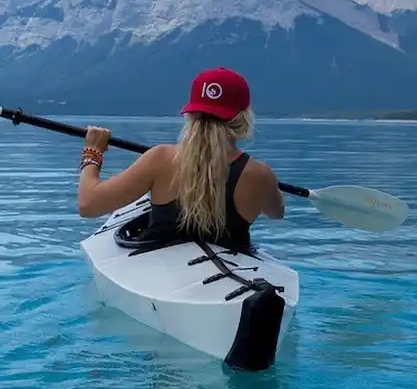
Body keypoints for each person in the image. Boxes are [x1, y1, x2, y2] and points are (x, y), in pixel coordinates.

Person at [76, 67, 285, 251]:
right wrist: (268, 186)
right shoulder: (260, 174)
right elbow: (276, 213)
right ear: (243, 119)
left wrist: (92, 154)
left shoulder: (161, 158)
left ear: (191, 114)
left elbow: (88, 205)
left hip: (159, 269)